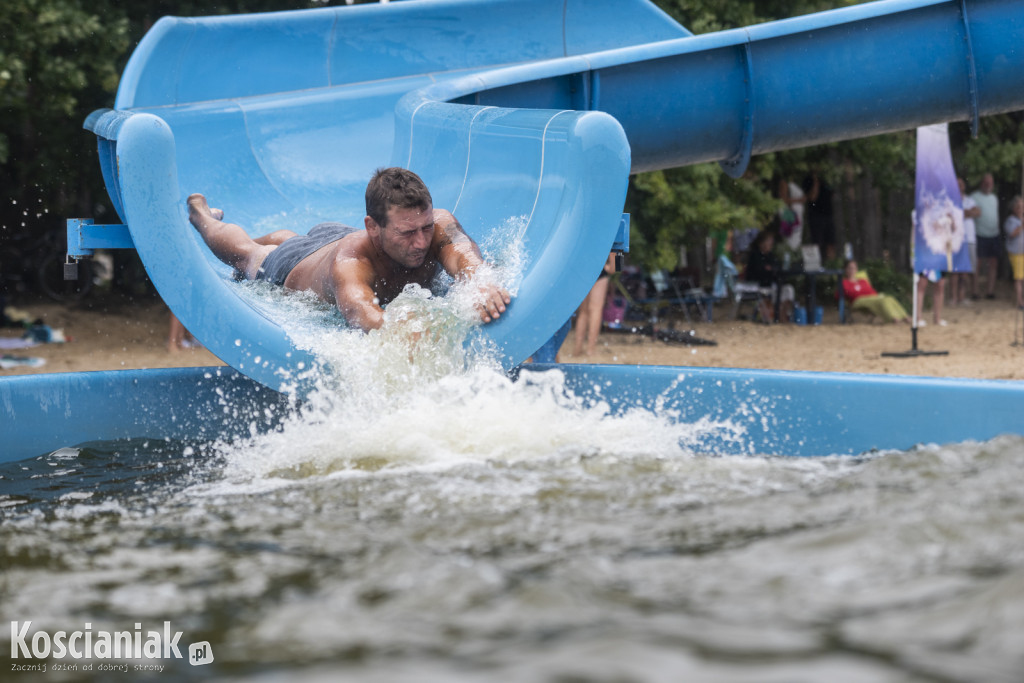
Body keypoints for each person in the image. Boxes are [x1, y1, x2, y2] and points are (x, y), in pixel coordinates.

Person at [188, 167, 511, 332]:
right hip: (295, 265)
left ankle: (286, 237)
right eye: (407, 233)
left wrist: (479, 283)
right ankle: (201, 214)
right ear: (374, 227)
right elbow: (360, 312)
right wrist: (400, 329)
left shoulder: (436, 224)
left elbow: (463, 254)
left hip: (336, 235)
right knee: (248, 254)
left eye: (425, 228)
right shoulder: (350, 261)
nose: (422, 242)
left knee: (294, 237)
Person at [744, 230, 794, 323]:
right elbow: (758, 272)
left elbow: (776, 267)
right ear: (761, 243)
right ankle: (776, 316)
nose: (771, 243)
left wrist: (771, 269)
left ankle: (782, 315)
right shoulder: (755, 255)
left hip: (773, 284)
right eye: (769, 241)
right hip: (759, 285)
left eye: (771, 241)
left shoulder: (770, 255)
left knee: (788, 290)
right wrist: (769, 270)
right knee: (776, 291)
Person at [572, 252, 616, 356]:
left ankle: (577, 349)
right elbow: (615, 263)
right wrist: (611, 267)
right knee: (596, 309)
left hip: (582, 268)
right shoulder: (612, 236)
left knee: (583, 312)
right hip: (600, 268)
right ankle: (591, 349)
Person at [840, 259, 910, 323]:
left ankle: (905, 317)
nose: (852, 270)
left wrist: (875, 296)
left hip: (873, 297)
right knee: (882, 301)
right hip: (858, 300)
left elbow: (872, 291)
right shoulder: (844, 282)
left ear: (856, 269)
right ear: (845, 269)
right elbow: (840, 295)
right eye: (850, 268)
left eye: (854, 268)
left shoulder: (862, 281)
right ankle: (893, 319)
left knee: (889, 298)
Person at [970, 172, 1000, 300]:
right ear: (982, 183)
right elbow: (971, 212)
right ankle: (975, 291)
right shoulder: (974, 197)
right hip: (980, 234)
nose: (988, 185)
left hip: (994, 234)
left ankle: (990, 291)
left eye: (991, 183)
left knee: (993, 263)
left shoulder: (994, 198)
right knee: (978, 263)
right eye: (986, 183)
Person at [951, 176, 980, 306]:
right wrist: (966, 213)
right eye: (957, 184)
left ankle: (962, 297)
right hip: (956, 239)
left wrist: (961, 213)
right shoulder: (950, 200)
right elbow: (953, 215)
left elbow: (977, 212)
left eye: (961, 184)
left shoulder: (969, 200)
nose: (959, 186)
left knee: (965, 270)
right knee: (955, 270)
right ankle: (954, 297)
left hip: (969, 238)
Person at [803, 171, 836, 261]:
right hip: (816, 215)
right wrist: (815, 181)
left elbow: (832, 194)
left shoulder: (825, 181)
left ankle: (831, 263)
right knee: (817, 242)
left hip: (828, 214)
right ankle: (815, 264)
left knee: (831, 242)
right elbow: (813, 197)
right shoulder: (808, 180)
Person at [1004, 195, 1024, 309]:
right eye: (1018, 207)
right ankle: (1019, 302)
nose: (1021, 209)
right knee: (1018, 278)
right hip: (1016, 252)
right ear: (1014, 208)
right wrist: (1022, 225)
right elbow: (1012, 234)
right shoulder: (1010, 221)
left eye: (1022, 207)